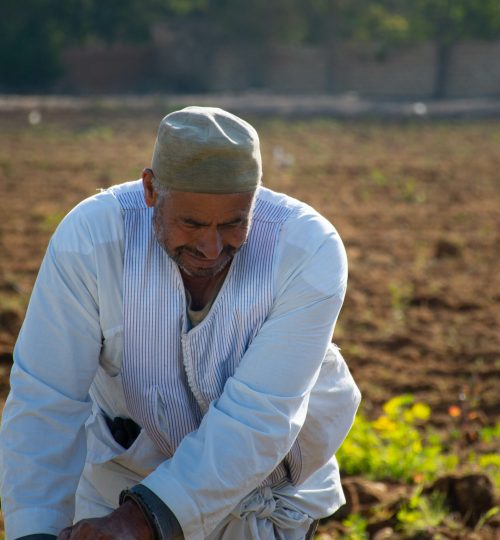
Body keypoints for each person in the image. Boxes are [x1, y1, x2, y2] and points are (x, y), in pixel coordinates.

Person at [0, 106, 361, 540]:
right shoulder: (93, 240)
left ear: (256, 197)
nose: (211, 247)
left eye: (234, 223)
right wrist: (34, 530)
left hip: (261, 493)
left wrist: (143, 521)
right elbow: (47, 397)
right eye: (191, 223)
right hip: (119, 483)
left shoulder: (305, 250)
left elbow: (260, 415)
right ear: (151, 189)